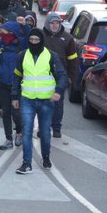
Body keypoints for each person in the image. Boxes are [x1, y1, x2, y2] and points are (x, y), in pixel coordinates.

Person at [12, 28, 69, 174]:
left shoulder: (51, 56)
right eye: (31, 40)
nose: (33, 43)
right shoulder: (22, 56)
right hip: (27, 100)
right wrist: (14, 96)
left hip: (46, 101)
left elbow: (62, 76)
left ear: (41, 41)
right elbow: (17, 77)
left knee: (44, 132)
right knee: (26, 131)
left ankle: (46, 157)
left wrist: (58, 92)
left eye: (36, 40)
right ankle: (26, 163)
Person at [42, 13, 78, 138]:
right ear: (47, 23)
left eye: (57, 23)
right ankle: (43, 128)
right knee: (43, 104)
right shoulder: (41, 36)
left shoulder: (67, 38)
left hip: (60, 77)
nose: (54, 25)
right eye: (52, 23)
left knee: (58, 104)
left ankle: (56, 128)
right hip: (42, 77)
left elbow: (73, 59)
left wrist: (70, 77)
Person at [0, 22, 25, 149]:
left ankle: (19, 132)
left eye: (4, 32)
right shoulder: (2, 46)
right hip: (2, 83)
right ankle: (8, 139)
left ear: (12, 33)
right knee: (6, 112)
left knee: (16, 112)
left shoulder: (21, 48)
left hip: (15, 86)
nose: (1, 34)